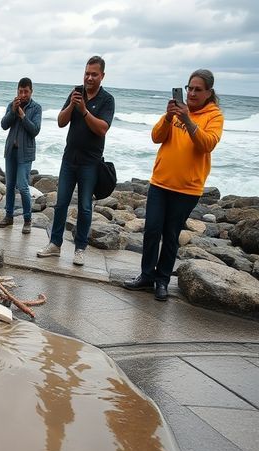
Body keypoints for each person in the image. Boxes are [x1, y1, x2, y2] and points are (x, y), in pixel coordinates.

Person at [124, 69, 224, 301]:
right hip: (161, 182)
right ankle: (147, 276)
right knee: (151, 230)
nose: (192, 93)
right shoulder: (175, 111)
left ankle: (162, 281)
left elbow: (206, 144)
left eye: (198, 89)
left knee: (171, 235)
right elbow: (156, 136)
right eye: (189, 88)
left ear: (209, 92)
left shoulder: (214, 116)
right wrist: (169, 117)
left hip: (187, 189)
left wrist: (187, 119)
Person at [37, 56, 115, 266]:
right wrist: (73, 105)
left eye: (94, 74)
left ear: (102, 76)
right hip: (69, 159)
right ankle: (55, 244)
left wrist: (84, 111)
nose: (89, 78)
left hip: (90, 162)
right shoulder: (76, 93)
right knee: (61, 203)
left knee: (85, 207)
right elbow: (61, 122)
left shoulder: (107, 100)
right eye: (87, 73)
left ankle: (80, 248)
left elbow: (102, 128)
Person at [0, 77, 42, 233]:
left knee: (23, 187)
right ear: (17, 91)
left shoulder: (36, 108)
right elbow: (4, 125)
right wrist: (13, 111)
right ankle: (8, 216)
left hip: (26, 153)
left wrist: (23, 115)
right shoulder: (12, 105)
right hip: (11, 151)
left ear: (31, 91)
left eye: (26, 92)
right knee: (10, 185)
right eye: (20, 91)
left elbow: (35, 130)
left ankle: (27, 220)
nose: (23, 94)